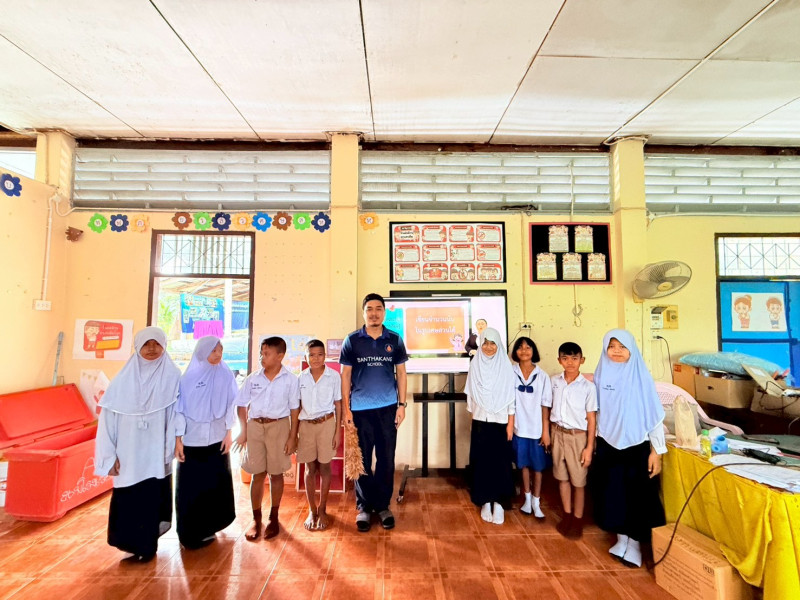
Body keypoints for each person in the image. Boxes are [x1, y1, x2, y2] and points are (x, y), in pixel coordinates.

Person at [94, 326, 180, 562]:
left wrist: (171, 447)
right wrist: (108, 456)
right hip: (128, 455)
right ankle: (130, 544)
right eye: (146, 344)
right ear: (137, 347)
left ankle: (148, 546)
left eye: (156, 343)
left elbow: (176, 416)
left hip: (156, 454)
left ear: (164, 346)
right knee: (130, 497)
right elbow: (107, 423)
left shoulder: (172, 377)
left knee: (152, 497)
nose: (151, 348)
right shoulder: (121, 382)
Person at [590, 329, 666, 568]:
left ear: (631, 349)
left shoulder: (641, 376)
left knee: (637, 496)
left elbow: (654, 416)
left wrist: (657, 451)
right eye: (611, 346)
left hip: (636, 445)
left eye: (622, 347)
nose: (616, 351)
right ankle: (621, 540)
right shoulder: (601, 374)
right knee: (613, 494)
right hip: (608, 444)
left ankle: (634, 546)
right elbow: (596, 411)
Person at [340, 293, 408, 532]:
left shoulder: (395, 340)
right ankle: (364, 507)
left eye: (379, 308)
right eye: (369, 309)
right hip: (360, 410)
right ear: (363, 312)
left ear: (384, 312)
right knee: (363, 460)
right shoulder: (352, 341)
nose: (374, 313)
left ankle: (383, 506)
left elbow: (401, 373)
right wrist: (346, 410)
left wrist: (402, 405)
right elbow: (345, 376)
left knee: (386, 459)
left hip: (388, 409)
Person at [233, 336, 300, 541]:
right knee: (257, 474)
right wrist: (243, 430)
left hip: (279, 426)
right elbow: (241, 404)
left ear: (280, 356)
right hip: (255, 427)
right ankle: (256, 519)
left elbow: (294, 410)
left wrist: (292, 437)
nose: (262, 357)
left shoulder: (290, 380)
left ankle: (274, 517)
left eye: (267, 353)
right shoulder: (253, 378)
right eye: (261, 353)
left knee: (276, 473)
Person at [174, 336, 237, 549]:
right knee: (192, 487)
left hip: (217, 439)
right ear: (202, 352)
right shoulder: (188, 378)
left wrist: (229, 433)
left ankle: (211, 527)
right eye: (213, 350)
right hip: (192, 440)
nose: (218, 354)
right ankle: (190, 534)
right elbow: (179, 410)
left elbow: (231, 405)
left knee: (215, 485)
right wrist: (178, 439)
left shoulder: (225, 374)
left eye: (220, 350)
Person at [542, 342, 597, 540]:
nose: (570, 363)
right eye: (565, 358)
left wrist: (589, 447)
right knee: (562, 478)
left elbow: (592, 419)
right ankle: (566, 515)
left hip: (578, 437)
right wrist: (546, 432)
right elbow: (546, 407)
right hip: (557, 433)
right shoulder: (554, 381)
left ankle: (577, 519)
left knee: (579, 481)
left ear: (582, 360)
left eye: (575, 358)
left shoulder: (588, 387)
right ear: (559, 361)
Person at [466, 327, 516, 525]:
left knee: (501, 462)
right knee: (482, 462)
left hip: (501, 421)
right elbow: (471, 395)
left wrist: (510, 424)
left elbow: (511, 398)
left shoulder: (506, 366)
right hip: (480, 420)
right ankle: (485, 500)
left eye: (492, 343)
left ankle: (500, 503)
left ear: (498, 345)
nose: (488, 347)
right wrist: (472, 421)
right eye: (485, 343)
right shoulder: (475, 364)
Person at [297, 339, 342, 531]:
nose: (316, 359)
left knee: (325, 467)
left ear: (325, 356)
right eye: (312, 355)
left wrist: (337, 431)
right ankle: (312, 510)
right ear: (306, 357)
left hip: (326, 424)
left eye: (320, 355)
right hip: (306, 426)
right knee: (309, 469)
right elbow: (296, 406)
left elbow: (338, 404)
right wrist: (294, 433)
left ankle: (323, 508)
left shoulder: (334, 377)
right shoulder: (300, 378)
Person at [509, 336, 551, 519]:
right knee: (523, 465)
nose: (524, 351)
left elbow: (545, 406)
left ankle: (536, 501)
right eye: (520, 347)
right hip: (519, 428)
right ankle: (526, 499)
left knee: (538, 467)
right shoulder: (510, 373)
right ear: (515, 352)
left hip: (537, 430)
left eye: (528, 347)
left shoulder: (542, 376)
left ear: (534, 351)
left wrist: (545, 432)